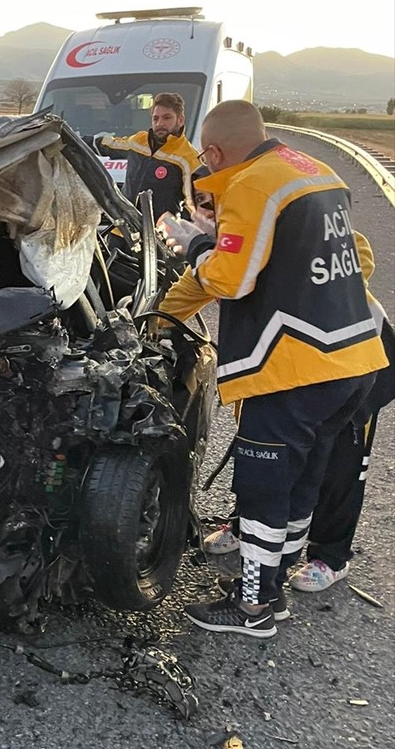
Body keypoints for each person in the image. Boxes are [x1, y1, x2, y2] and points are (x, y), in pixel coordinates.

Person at [160, 101, 386, 639]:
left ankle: (253, 607)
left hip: (293, 369)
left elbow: (231, 279)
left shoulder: (254, 186)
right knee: (300, 481)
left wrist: (196, 245)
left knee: (263, 489)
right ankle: (276, 584)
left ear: (212, 152)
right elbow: (360, 257)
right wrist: (163, 315)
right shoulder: (313, 172)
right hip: (353, 361)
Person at [93, 92, 200, 221]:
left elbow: (193, 207)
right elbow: (109, 144)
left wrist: (176, 232)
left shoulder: (189, 158)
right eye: (156, 118)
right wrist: (75, 141)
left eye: (167, 118)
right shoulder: (139, 141)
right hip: (124, 229)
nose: (160, 123)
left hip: (158, 236)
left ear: (180, 120)